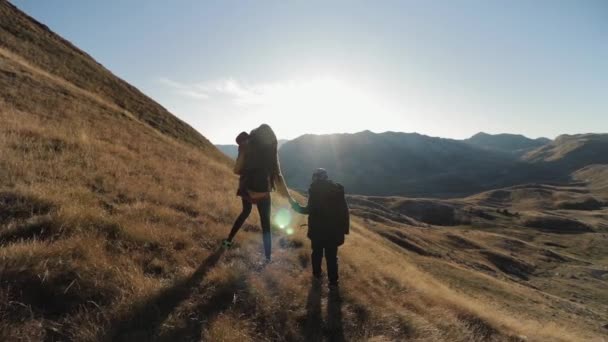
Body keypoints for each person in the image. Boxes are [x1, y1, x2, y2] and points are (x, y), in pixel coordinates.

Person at [223, 124, 292, 262]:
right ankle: (267, 258)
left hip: (246, 189)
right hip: (263, 192)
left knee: (245, 212)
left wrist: (242, 152)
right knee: (265, 223)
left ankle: (228, 241)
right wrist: (290, 199)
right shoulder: (271, 150)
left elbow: (236, 170)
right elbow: (278, 176)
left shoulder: (247, 145)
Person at [290, 168, 349, 288]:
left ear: (316, 178)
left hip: (318, 231)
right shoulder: (337, 190)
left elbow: (308, 210)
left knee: (316, 254)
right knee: (331, 257)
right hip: (334, 231)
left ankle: (317, 277)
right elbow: (344, 211)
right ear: (326, 177)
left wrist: (295, 206)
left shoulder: (315, 190)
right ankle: (333, 282)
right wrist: (344, 230)